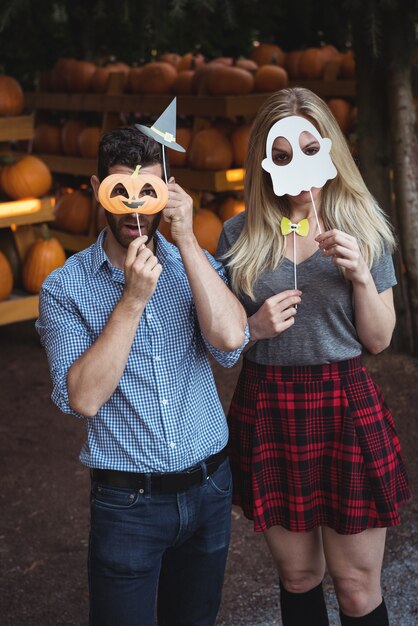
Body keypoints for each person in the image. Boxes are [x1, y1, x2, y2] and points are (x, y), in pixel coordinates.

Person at [36, 125, 249, 626]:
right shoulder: (64, 287)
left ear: (169, 190)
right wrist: (131, 300)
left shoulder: (191, 262)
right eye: (120, 194)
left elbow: (230, 340)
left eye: (148, 193)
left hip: (210, 486)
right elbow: (83, 398)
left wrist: (189, 241)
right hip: (127, 502)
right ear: (95, 190)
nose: (134, 211)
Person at [216, 87, 411, 626]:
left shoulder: (364, 224)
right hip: (270, 403)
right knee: (299, 577)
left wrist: (362, 277)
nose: (297, 165)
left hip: (344, 402)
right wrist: (253, 327)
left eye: (308, 148)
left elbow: (378, 340)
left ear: (329, 149)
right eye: (281, 155)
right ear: (264, 161)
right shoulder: (239, 235)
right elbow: (220, 336)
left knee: (355, 587)